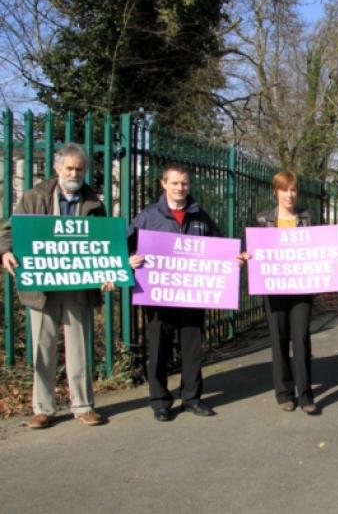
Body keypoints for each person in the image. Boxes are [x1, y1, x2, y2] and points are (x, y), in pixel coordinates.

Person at [0, 143, 108, 428]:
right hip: (42, 286)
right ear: (58, 168)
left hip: (79, 286)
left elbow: (106, 243)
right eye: (70, 168)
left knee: (79, 348)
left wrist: (109, 271)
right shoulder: (34, 197)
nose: (74, 173)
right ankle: (43, 408)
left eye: (79, 168)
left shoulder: (94, 204)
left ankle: (83, 406)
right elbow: (9, 231)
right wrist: (5, 252)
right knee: (43, 347)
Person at [129, 163, 244, 421]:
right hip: (159, 295)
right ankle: (160, 401)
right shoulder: (149, 216)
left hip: (193, 296)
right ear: (164, 184)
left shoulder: (200, 216)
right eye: (175, 183)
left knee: (192, 349)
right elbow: (126, 245)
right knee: (159, 348)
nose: (180, 188)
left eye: (184, 183)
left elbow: (219, 246)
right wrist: (129, 260)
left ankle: (192, 398)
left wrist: (232, 259)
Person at [253, 171, 319, 414]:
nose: (289, 195)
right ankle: (284, 393)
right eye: (284, 190)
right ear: (276, 191)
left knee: (301, 338)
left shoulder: (307, 217)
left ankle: (305, 394)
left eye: (293, 190)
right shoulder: (263, 219)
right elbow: (252, 247)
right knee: (279, 339)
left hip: (302, 289)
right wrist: (248, 255)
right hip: (274, 289)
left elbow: (320, 246)